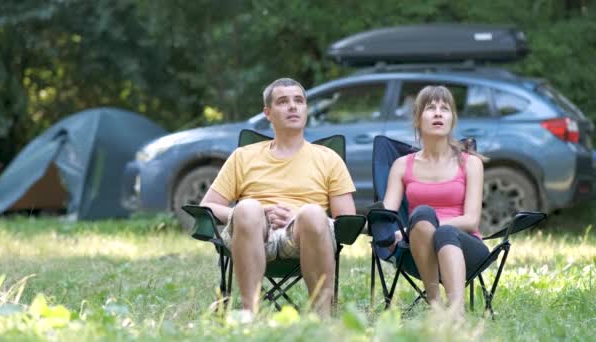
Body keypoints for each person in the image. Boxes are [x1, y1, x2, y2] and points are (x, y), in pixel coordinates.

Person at [200, 78, 356, 317]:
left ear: (306, 109)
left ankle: (323, 319)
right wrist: (243, 214)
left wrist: (299, 217)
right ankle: (249, 315)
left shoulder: (328, 158)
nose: (293, 106)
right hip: (253, 233)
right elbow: (208, 206)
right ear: (268, 113)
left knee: (313, 213)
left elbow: (347, 221)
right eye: (283, 102)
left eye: (299, 101)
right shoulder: (243, 156)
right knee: (248, 207)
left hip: (304, 236)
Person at [382, 85, 488, 318]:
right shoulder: (402, 165)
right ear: (418, 120)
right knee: (421, 213)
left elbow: (471, 221)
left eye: (445, 108)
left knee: (441, 231)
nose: (438, 113)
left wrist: (418, 228)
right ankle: (437, 308)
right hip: (415, 252)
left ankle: (455, 315)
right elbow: (386, 217)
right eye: (431, 108)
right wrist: (388, 233)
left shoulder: (470, 163)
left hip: (467, 247)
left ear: (452, 119)